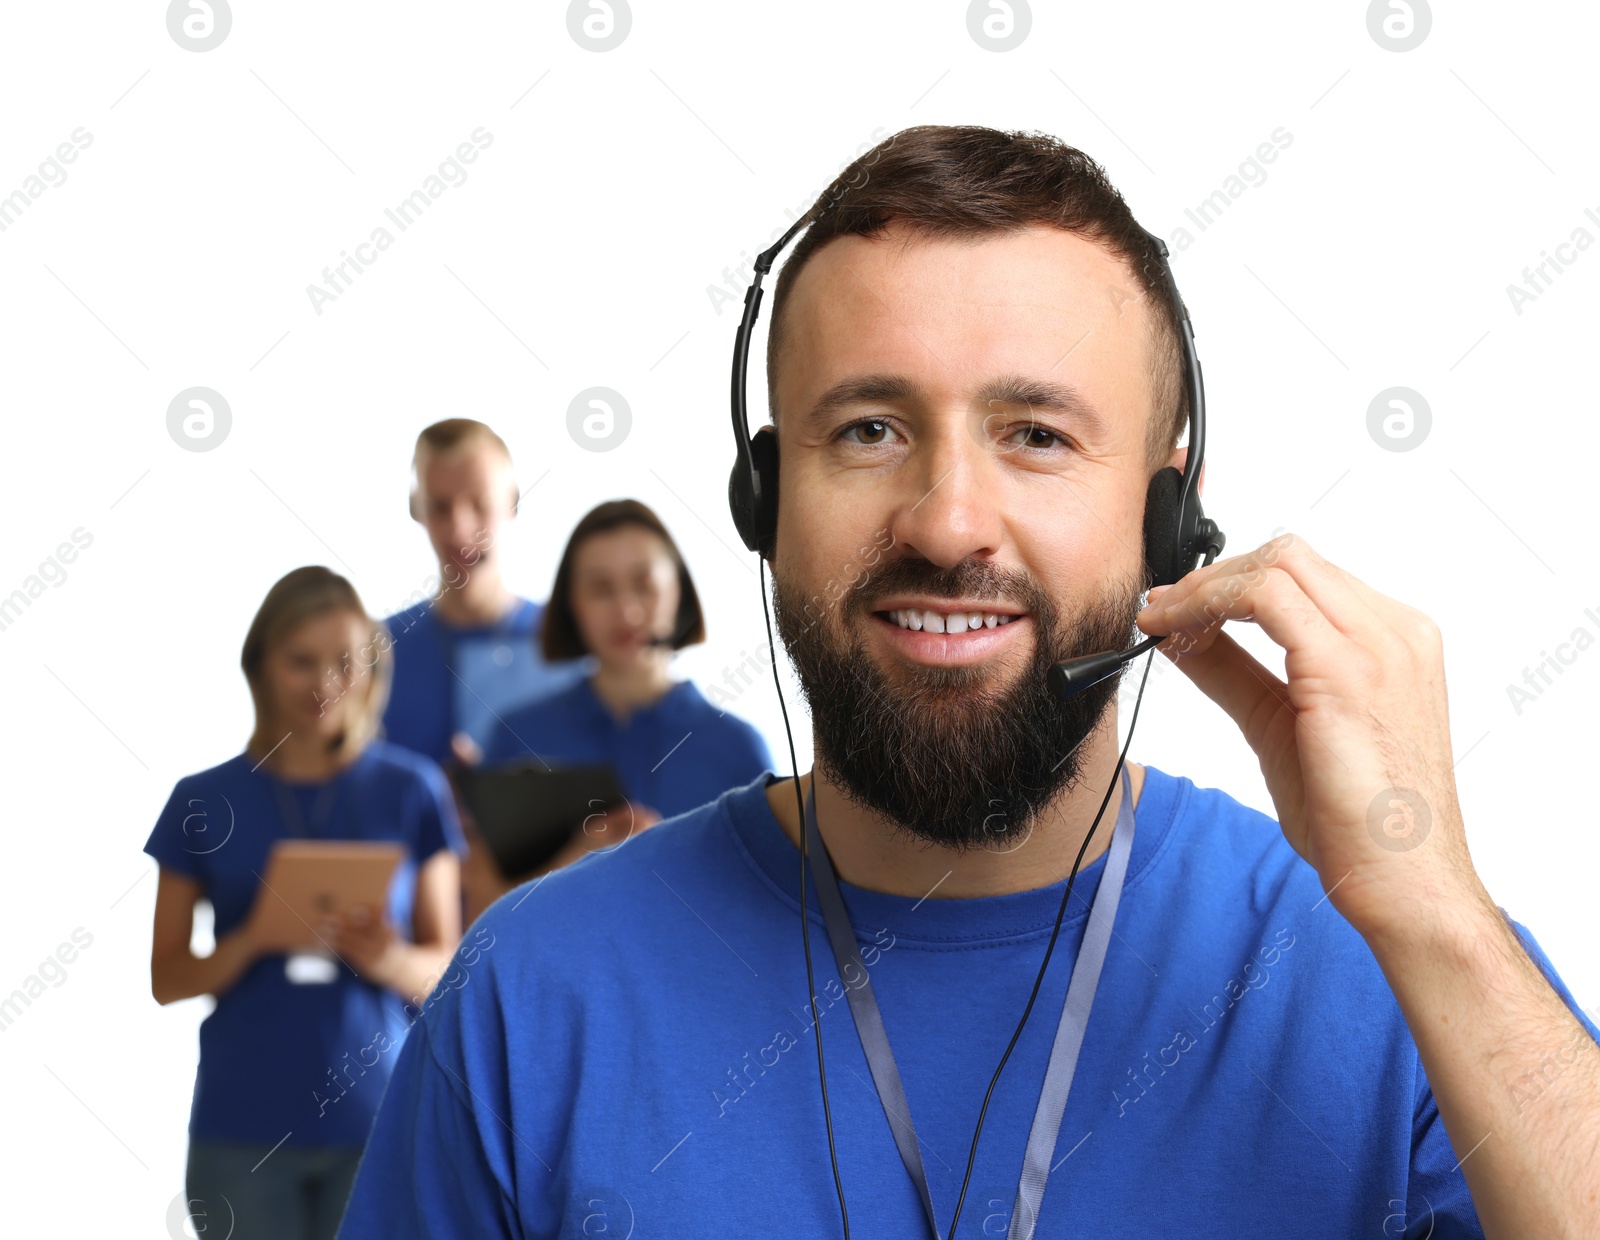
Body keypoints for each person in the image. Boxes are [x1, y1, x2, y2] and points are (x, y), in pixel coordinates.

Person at [335, 127, 1600, 1238]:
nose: (947, 522)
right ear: (765, 500)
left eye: (1036, 435)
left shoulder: (1388, 980)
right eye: (869, 429)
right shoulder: (528, 998)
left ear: (1168, 519)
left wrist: (1430, 903)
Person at [146, 566, 466, 1240]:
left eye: (345, 663)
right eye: (300, 662)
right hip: (242, 1134)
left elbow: (448, 972)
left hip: (380, 1122)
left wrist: (387, 957)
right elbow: (166, 979)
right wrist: (252, 939)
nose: (324, 684)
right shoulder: (201, 801)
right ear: (260, 665)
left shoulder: (413, 791)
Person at [461, 499, 774, 918]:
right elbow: (478, 916)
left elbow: (768, 919)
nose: (625, 611)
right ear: (571, 605)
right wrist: (579, 858)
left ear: (679, 590)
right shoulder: (516, 734)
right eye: (600, 589)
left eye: (644, 584)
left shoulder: (738, 749)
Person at [380, 418, 588, 770]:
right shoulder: (376, 653)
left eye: (479, 503)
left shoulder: (572, 645)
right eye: (440, 507)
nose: (460, 531)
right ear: (417, 511)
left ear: (512, 504)